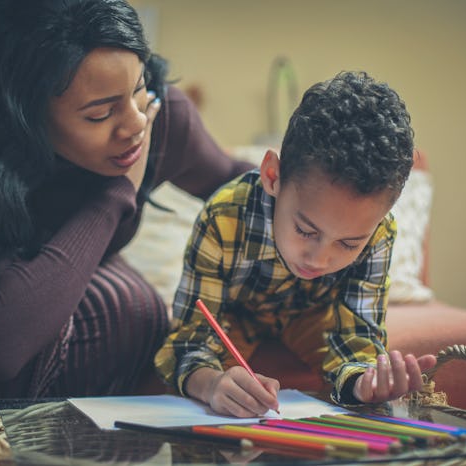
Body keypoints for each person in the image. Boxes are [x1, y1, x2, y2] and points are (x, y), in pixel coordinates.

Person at [0, 0, 253, 464]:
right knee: (23, 338)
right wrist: (115, 193)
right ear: (21, 116)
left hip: (49, 262)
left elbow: (237, 183)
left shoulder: (158, 117)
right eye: (99, 114)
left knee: (135, 312)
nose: (135, 124)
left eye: (139, 88)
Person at [154, 71, 437, 418]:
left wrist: (363, 383)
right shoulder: (224, 216)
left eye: (349, 243)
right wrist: (211, 383)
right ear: (273, 176)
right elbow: (191, 338)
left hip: (317, 315)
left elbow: (355, 333)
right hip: (234, 315)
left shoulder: (379, 233)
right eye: (305, 230)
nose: (320, 259)